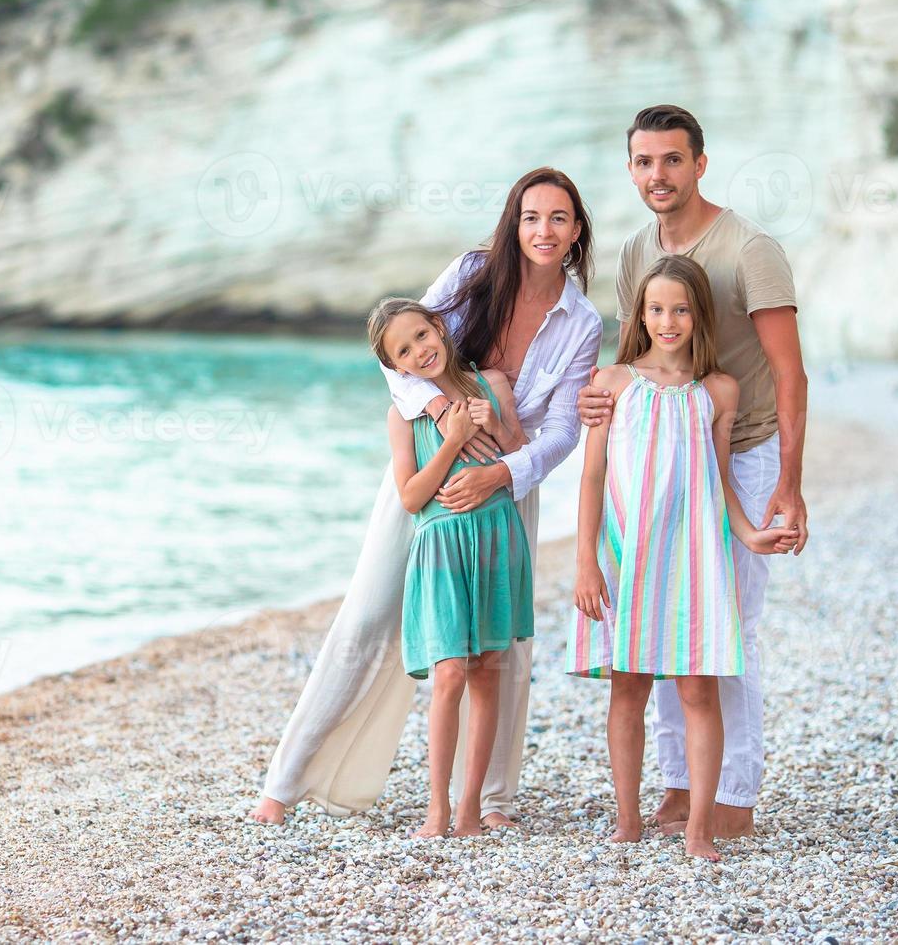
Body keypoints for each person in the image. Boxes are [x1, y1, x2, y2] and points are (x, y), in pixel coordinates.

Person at [252, 168, 602, 829]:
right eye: (531, 217)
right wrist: (439, 407)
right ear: (514, 221)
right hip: (426, 475)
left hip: (507, 484)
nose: (543, 231)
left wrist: (501, 473)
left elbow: (561, 431)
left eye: (558, 218)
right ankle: (285, 780)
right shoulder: (473, 272)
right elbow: (396, 349)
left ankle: (492, 800)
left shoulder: (581, 321)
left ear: (577, 228)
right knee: (368, 614)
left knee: (503, 649)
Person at [578, 104, 810, 839]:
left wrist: (789, 484)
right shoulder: (634, 252)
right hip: (655, 464)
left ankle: (734, 794)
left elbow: (790, 372)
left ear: (700, 163)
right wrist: (597, 400)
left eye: (672, 160)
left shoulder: (750, 248)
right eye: (644, 162)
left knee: (721, 629)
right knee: (662, 626)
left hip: (739, 452)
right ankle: (680, 787)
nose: (658, 175)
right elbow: (628, 359)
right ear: (631, 169)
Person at [368, 298, 535, 838]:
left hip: (493, 537)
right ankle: (436, 807)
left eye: (422, 335)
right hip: (441, 547)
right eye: (404, 350)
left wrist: (500, 430)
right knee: (450, 673)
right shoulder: (405, 416)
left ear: (440, 327)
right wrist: (454, 441)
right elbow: (413, 496)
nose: (421, 350)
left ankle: (470, 808)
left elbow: (520, 453)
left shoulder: (493, 384)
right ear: (395, 368)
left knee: (488, 670)